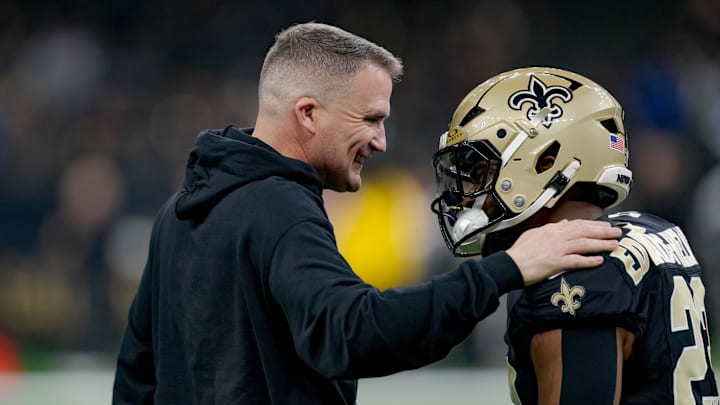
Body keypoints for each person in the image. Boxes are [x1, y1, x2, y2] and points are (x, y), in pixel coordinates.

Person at [112, 24, 622, 405]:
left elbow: (137, 376)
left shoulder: (177, 212)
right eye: (371, 119)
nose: (380, 141)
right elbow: (351, 332)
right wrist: (506, 269)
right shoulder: (278, 209)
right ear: (308, 114)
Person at [430, 66, 719, 404]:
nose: (466, 196)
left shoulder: (575, 271)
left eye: (481, 172)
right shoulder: (652, 232)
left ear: (546, 161)